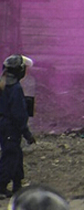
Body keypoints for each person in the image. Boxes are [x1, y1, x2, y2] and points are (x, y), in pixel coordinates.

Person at [0, 55, 35, 198]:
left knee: (16, 154)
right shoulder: (15, 88)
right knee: (10, 155)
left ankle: (17, 183)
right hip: (10, 127)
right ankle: (1, 186)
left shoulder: (4, 85)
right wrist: (27, 133)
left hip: (5, 125)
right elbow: (18, 114)